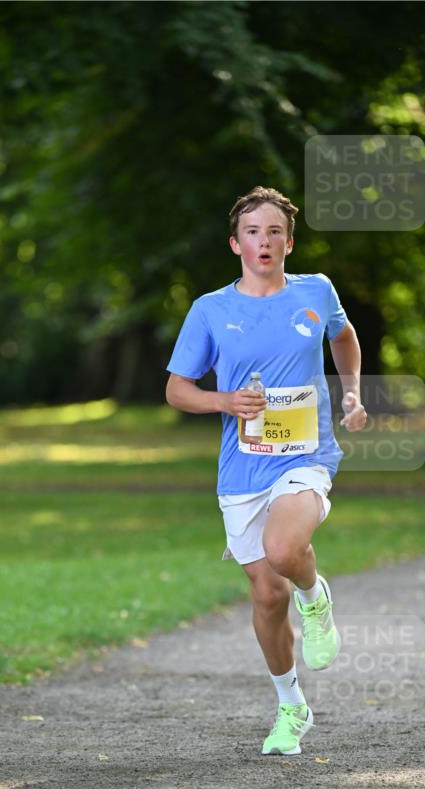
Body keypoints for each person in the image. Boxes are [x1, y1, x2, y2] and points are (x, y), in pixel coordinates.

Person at [165, 185, 367, 756]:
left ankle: (316, 596)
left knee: (284, 552)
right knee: (265, 594)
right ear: (236, 244)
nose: (264, 241)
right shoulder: (211, 309)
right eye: (253, 231)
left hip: (306, 456)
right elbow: (177, 390)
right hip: (242, 471)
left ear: (289, 242)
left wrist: (351, 393)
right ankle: (290, 707)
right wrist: (224, 402)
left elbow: (344, 337)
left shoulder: (315, 292)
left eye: (274, 231)